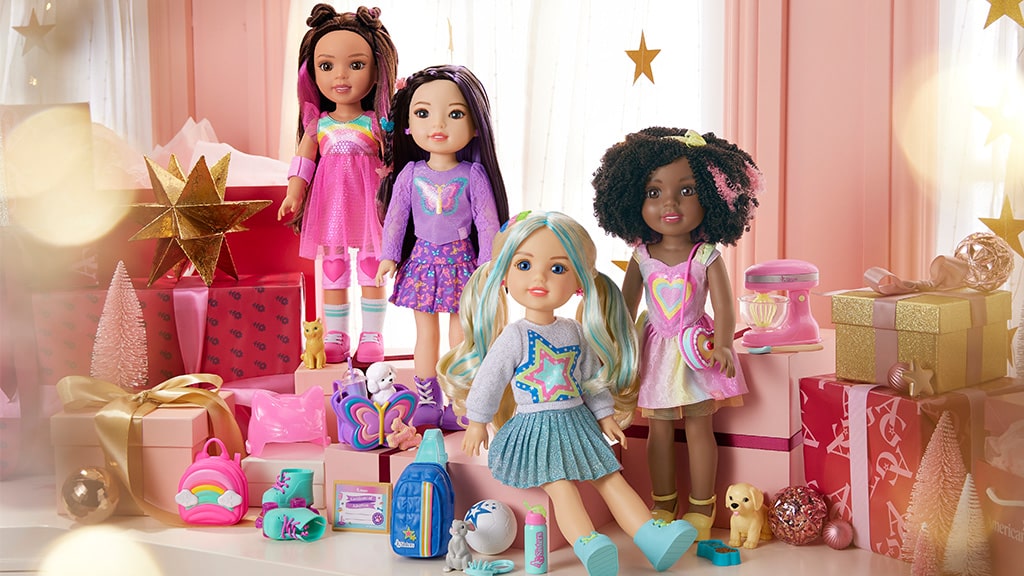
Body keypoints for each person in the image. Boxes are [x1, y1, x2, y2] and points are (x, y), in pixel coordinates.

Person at [438, 211, 696, 576]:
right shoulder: (514, 335)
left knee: (610, 477)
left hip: (577, 422)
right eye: (524, 265)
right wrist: (478, 421)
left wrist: (605, 415)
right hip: (534, 429)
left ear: (578, 281)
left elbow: (590, 380)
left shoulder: (574, 330)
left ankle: (652, 538)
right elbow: (489, 379)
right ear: (504, 276)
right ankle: (590, 545)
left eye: (558, 268)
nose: (539, 278)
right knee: (561, 488)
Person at [591, 127, 762, 541]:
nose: (669, 203)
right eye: (654, 192)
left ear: (713, 196)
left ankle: (702, 507)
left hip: (696, 350)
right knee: (659, 431)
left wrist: (724, 343)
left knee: (700, 428)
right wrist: (615, 343)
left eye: (686, 191)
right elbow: (625, 306)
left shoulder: (706, 255)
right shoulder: (641, 256)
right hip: (654, 352)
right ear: (634, 200)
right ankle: (663, 502)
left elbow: (724, 306)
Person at [375, 65, 508, 428]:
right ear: (407, 124)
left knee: (460, 335)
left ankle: (458, 400)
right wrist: (389, 256)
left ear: (476, 125)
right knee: (425, 335)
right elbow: (396, 218)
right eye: (423, 113)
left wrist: (489, 265)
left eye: (455, 114)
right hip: (421, 263)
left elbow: (486, 223)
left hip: (462, 264)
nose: (438, 124)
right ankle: (426, 399)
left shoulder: (473, 175)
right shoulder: (410, 174)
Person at [278, 4, 398, 364]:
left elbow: (391, 161)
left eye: (356, 65)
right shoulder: (319, 124)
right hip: (330, 204)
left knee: (372, 264)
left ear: (376, 71)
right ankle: (335, 334)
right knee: (333, 266)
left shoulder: (376, 122)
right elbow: (304, 160)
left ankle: (372, 334)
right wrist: (294, 192)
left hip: (369, 203)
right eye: (326, 66)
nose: (340, 76)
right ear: (311, 72)